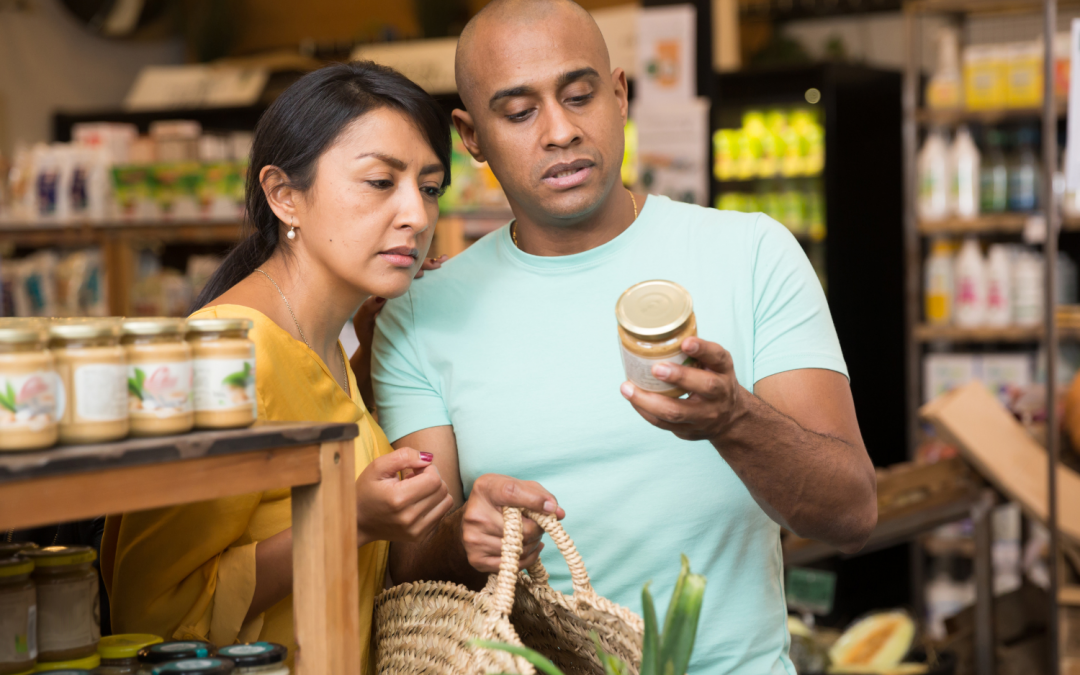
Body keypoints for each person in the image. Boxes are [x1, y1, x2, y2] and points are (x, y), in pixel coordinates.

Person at [369, 1, 878, 672]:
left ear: (619, 95)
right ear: (471, 136)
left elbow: (850, 509)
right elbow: (409, 565)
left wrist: (735, 419)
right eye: (518, 113)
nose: (559, 131)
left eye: (579, 96)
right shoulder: (420, 313)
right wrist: (469, 536)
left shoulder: (752, 253)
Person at [100, 61, 455, 670]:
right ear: (284, 195)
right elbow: (150, 615)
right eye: (379, 182)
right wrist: (347, 522)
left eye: (429, 187)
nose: (418, 217)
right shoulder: (223, 357)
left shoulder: (334, 345)